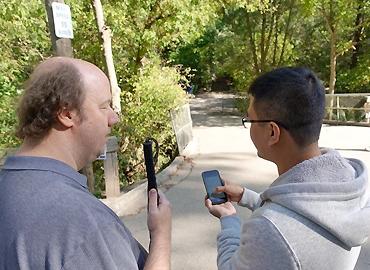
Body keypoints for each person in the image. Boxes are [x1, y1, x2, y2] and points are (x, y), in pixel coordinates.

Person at [0, 57, 171, 270]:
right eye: (104, 106)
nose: (113, 118)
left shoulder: (8, 186)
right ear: (66, 113)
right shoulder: (84, 225)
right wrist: (161, 237)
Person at [205, 67, 370, 270]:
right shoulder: (351, 185)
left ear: (273, 132)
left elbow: (235, 264)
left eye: (250, 120)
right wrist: (246, 197)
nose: (249, 126)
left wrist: (229, 219)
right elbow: (306, 219)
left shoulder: (268, 230)